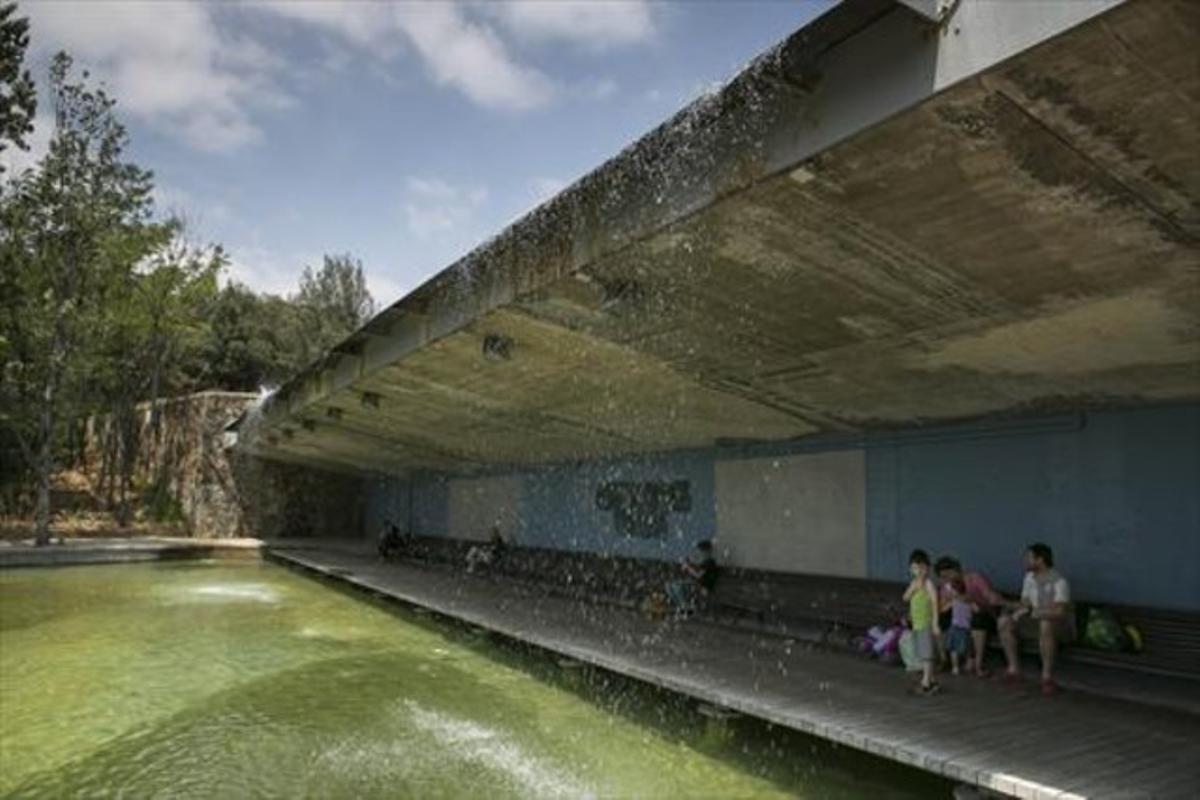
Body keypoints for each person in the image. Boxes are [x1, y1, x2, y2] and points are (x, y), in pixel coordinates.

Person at [998, 543, 1075, 695]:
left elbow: (1059, 611)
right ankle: (1014, 669)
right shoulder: (1029, 578)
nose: (1025, 561)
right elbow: (1025, 603)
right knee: (1004, 622)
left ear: (1040, 560)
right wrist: (1006, 605)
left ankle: (1047, 677)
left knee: (1046, 624)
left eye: (1029, 558)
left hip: (1057, 626)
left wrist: (1039, 613)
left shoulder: (1059, 582)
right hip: (1034, 620)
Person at [934, 556, 1005, 677]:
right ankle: (945, 659)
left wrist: (971, 601)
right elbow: (941, 607)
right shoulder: (947, 587)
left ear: (956, 569)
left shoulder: (974, 578)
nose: (948, 579)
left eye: (948, 574)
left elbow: (990, 598)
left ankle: (979, 663)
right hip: (961, 619)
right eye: (944, 577)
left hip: (984, 614)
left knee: (978, 617)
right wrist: (951, 602)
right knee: (940, 620)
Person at [903, 549, 940, 695]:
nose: (918, 571)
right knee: (922, 652)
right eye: (914, 568)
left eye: (921, 568)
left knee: (927, 654)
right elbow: (905, 598)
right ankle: (932, 680)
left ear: (927, 568)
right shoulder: (914, 584)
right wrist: (913, 588)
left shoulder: (929, 584)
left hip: (926, 623)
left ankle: (926, 683)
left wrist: (935, 623)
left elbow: (935, 602)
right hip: (917, 623)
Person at [665, 540, 718, 618]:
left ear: (707, 551)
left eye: (701, 551)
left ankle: (685, 607)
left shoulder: (710, 562)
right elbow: (696, 572)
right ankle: (682, 606)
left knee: (677, 587)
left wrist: (688, 568)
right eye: (700, 551)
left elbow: (698, 575)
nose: (700, 553)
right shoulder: (704, 562)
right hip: (696, 584)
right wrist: (688, 565)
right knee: (669, 585)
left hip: (704, 587)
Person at [943, 579, 973, 676]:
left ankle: (955, 668)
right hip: (966, 627)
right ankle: (969, 664)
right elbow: (976, 609)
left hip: (955, 626)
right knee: (967, 647)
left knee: (953, 649)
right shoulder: (968, 600)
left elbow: (944, 609)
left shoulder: (954, 600)